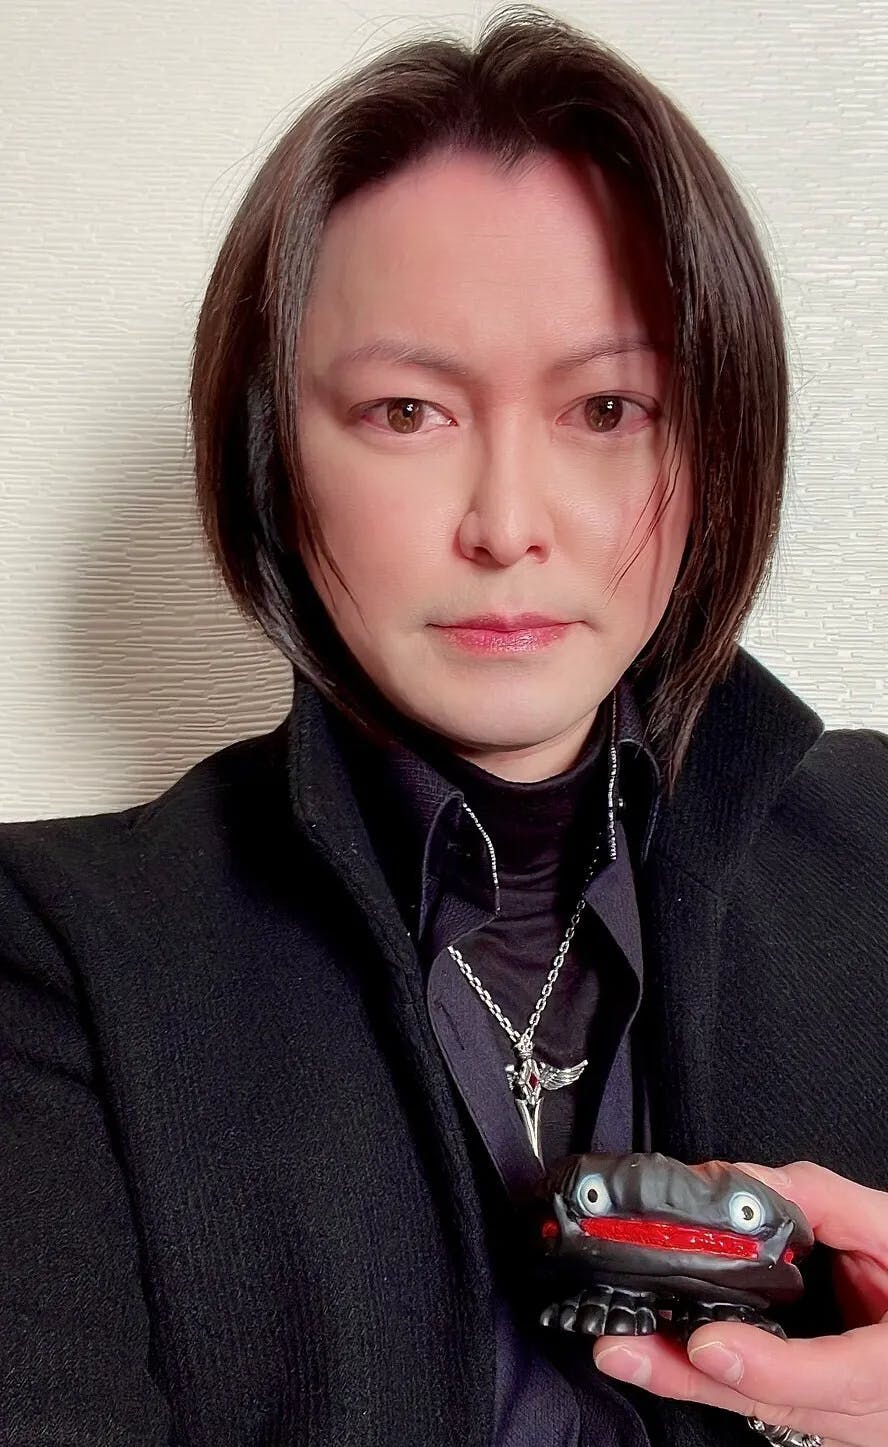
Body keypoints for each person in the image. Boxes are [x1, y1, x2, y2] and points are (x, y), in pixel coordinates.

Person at [1, 8, 886, 1447]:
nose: (507, 523)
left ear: (717, 437)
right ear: (275, 453)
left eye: (610, 406)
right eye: (408, 412)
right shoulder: (52, 957)